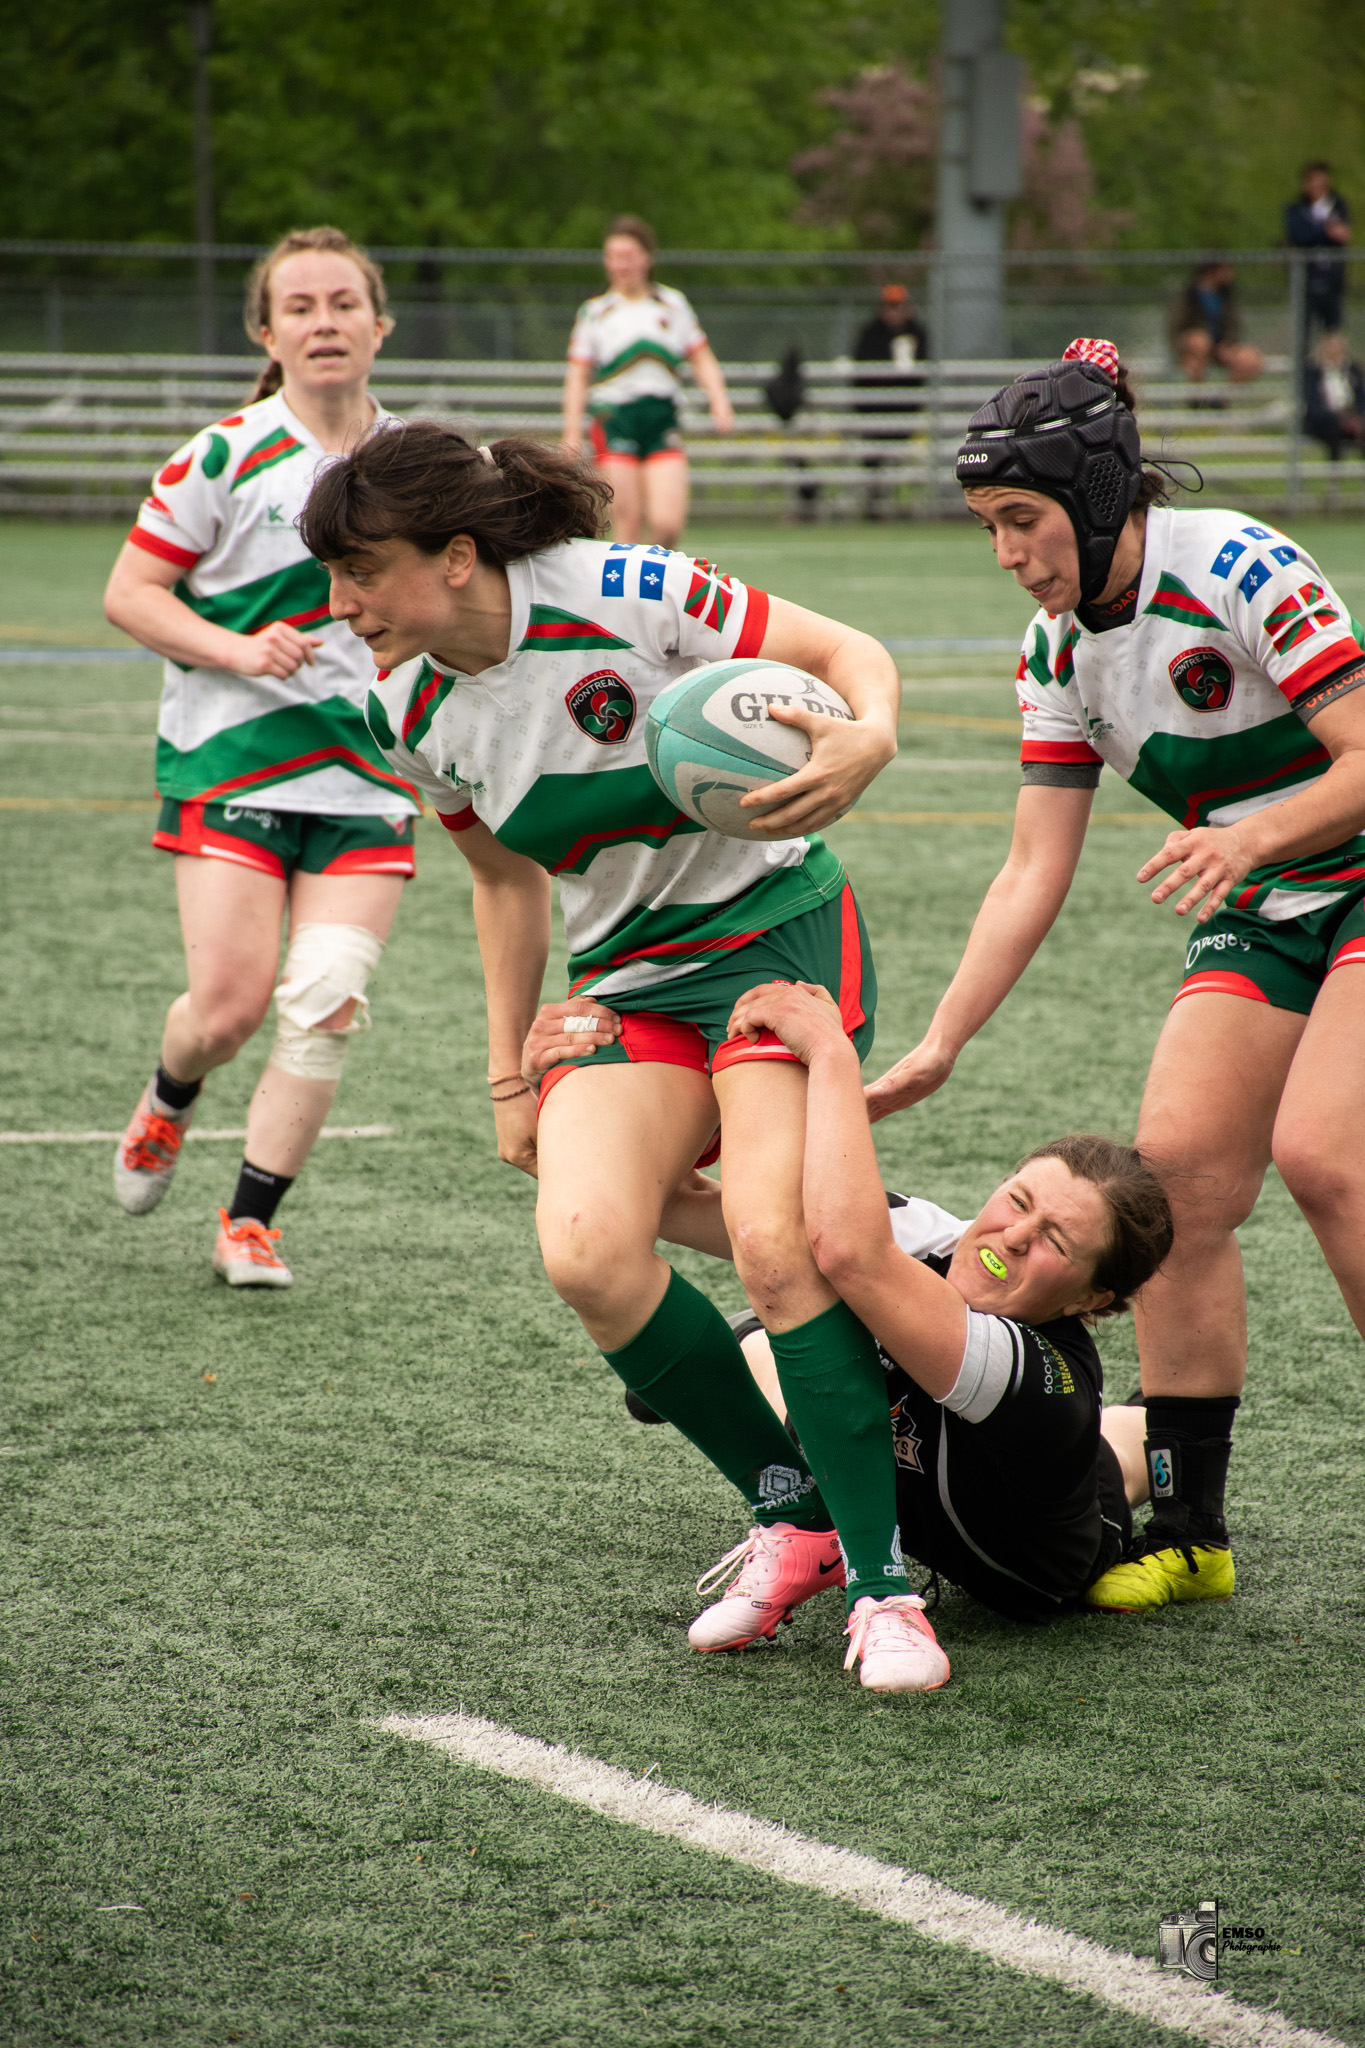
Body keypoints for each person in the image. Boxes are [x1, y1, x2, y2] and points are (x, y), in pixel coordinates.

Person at [297, 422, 950, 1694]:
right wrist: (506, 1075)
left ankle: (888, 1587)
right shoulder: (405, 709)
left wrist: (869, 730)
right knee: (585, 1244)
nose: (343, 605)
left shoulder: (626, 589)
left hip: (777, 937)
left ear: (460, 555)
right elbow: (500, 881)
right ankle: (797, 1512)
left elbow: (838, 651)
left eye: (364, 571)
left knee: (770, 1238)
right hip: (633, 982)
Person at [867, 335, 1365, 1614]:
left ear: (1097, 496)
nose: (1007, 555)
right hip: (1266, 905)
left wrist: (1250, 836)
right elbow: (1033, 867)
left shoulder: (1241, 564)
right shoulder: (1053, 654)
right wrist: (940, 1042)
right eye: (988, 527)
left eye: (1020, 520)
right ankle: (1194, 1529)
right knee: (1181, 1178)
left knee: (1326, 1156)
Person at [522, 986, 1175, 1655]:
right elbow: (666, 1199)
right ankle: (757, 1357)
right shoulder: (926, 1237)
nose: (1014, 1235)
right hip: (906, 1451)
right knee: (801, 1336)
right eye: (1017, 1200)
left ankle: (1162, 1420)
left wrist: (829, 1051)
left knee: (1124, 1443)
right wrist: (568, 1094)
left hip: (1034, 1573)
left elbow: (851, 1255)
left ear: (1089, 1301)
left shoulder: (1033, 1368)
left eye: (1056, 1242)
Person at [104, 227, 419, 1288]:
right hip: (233, 762)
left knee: (327, 993)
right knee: (230, 1010)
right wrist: (240, 648)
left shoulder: (423, 462)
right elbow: (131, 593)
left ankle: (250, 1220)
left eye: (344, 303)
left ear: (380, 323)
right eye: (300, 307)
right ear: (267, 331)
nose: (323, 322)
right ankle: (171, 1091)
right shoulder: (224, 454)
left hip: (374, 776)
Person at [561, 215, 734, 548]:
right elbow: (578, 374)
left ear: (646, 258)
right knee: (628, 526)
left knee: (667, 526)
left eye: (627, 256)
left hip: (661, 417)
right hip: (615, 420)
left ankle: (659, 589)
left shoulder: (672, 304)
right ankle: (631, 600)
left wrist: (719, 400)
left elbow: (701, 357)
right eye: (612, 256)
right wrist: (571, 431)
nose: (619, 265)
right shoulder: (595, 312)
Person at [852, 284, 931, 519]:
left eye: (899, 306)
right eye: (890, 306)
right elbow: (861, 372)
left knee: (899, 459)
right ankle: (874, 503)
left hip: (904, 409)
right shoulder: (871, 333)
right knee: (873, 459)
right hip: (874, 411)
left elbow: (922, 371)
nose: (894, 312)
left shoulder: (916, 331)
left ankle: (900, 505)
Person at [1171, 262, 1263, 390]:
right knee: (1200, 341)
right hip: (1196, 347)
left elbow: (1234, 326)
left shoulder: (1227, 295)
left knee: (1250, 359)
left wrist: (1228, 344)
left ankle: (1221, 399)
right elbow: (1175, 328)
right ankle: (1197, 396)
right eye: (1227, 269)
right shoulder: (1189, 294)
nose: (1231, 274)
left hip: (1221, 346)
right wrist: (1183, 353)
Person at [1284, 161, 1352, 335]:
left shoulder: (1338, 206)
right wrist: (1325, 229)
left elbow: (1343, 234)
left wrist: (1318, 229)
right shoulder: (1297, 209)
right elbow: (1298, 235)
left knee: (1333, 331)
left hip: (1333, 280)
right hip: (1307, 280)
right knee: (1303, 330)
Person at [1304, 331, 1365, 462]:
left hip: (1352, 419)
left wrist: (1358, 417)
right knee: (1333, 429)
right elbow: (1313, 403)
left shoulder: (1353, 369)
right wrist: (1339, 419)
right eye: (1331, 346)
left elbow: (1361, 396)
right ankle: (1334, 475)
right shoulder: (1313, 371)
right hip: (1324, 421)